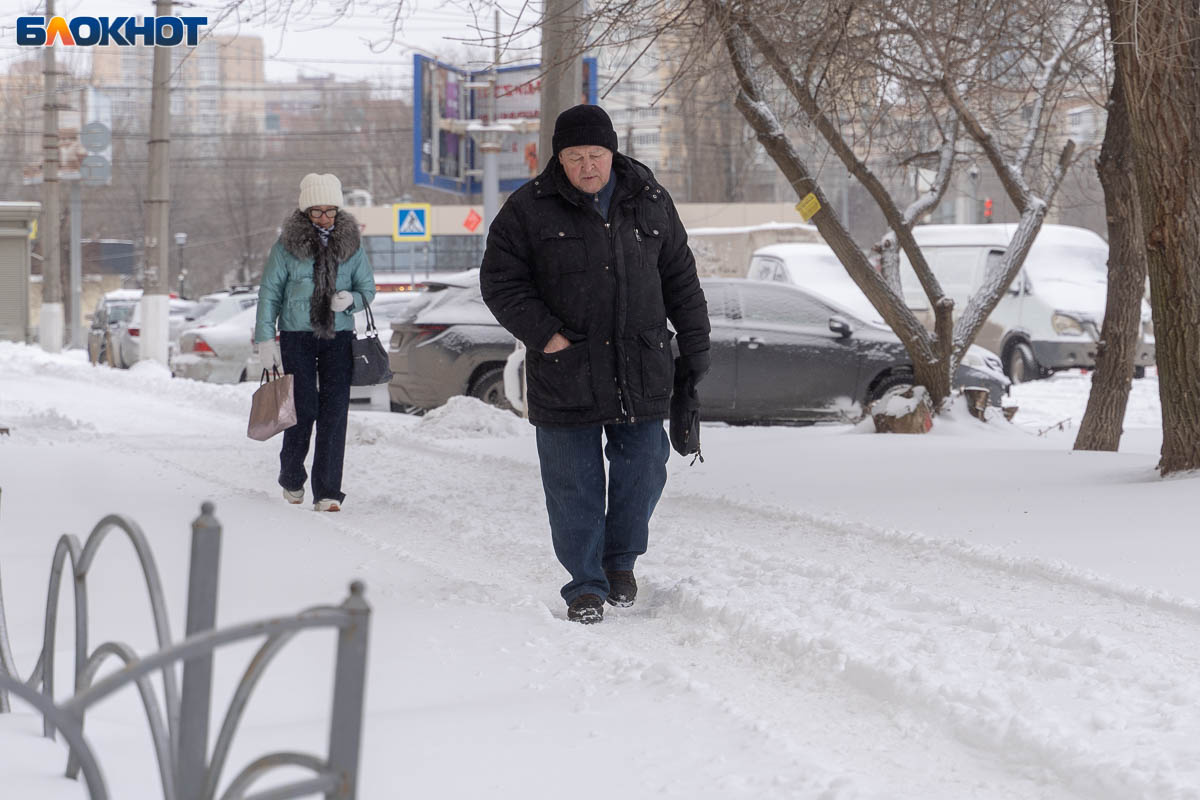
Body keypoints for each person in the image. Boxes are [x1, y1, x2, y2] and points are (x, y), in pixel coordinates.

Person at [480, 105, 711, 624]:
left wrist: (695, 352)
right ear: (557, 159)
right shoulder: (528, 209)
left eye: (596, 155)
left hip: (641, 365)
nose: (588, 167)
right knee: (573, 483)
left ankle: (620, 562)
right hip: (567, 370)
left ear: (613, 152)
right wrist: (547, 336)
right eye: (576, 157)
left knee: (645, 468)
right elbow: (499, 281)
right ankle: (585, 584)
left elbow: (680, 278)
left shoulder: (650, 200)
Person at [255, 173, 376, 512]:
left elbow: (368, 290)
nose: (324, 218)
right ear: (305, 211)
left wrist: (350, 299)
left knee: (335, 413)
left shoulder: (352, 245)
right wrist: (266, 338)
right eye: (316, 211)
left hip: (339, 337)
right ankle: (292, 477)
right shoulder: (286, 247)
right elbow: (269, 294)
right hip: (297, 336)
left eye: (330, 211)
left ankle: (328, 492)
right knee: (303, 408)